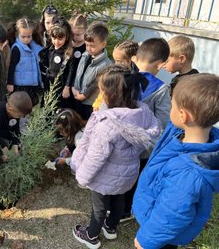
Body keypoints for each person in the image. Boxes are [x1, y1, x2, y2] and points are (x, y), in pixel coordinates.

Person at [71, 65, 160, 249]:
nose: (100, 94)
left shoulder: (107, 124)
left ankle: (91, 235)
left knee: (99, 207)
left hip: (104, 176)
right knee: (119, 201)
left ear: (110, 94)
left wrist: (82, 177)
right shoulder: (143, 113)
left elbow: (96, 157)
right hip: (128, 174)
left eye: (101, 91)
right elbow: (153, 131)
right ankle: (111, 228)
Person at [133, 73, 219, 249]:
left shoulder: (188, 174)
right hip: (154, 211)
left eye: (172, 104)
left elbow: (171, 214)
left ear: (183, 115)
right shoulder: (180, 133)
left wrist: (145, 240)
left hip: (161, 236)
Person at [122, 38, 171, 221]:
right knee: (135, 179)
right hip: (143, 147)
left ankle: (112, 209)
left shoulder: (123, 78)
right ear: (160, 64)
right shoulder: (161, 90)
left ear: (135, 58)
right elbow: (163, 122)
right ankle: (126, 211)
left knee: (119, 173)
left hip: (121, 140)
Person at [0, 91, 33, 171]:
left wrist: (15, 145)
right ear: (10, 109)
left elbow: (16, 130)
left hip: (1, 127)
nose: (22, 117)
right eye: (20, 115)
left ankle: (10, 148)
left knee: (16, 137)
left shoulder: (15, 112)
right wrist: (4, 149)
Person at [72, 21, 112, 120]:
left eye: (92, 46)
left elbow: (97, 83)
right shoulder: (85, 55)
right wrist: (74, 86)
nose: (89, 49)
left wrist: (84, 95)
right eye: (87, 45)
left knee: (86, 125)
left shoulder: (106, 64)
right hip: (77, 95)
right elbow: (78, 72)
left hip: (90, 102)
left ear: (103, 44)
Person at [93, 40, 139, 111]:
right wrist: (96, 105)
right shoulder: (113, 74)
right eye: (115, 61)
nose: (116, 64)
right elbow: (103, 92)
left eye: (120, 61)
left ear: (132, 60)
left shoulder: (135, 80)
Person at [39, 17, 74, 108]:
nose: (56, 42)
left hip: (60, 85)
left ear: (66, 38)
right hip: (48, 82)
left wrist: (67, 87)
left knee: (57, 107)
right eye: (54, 38)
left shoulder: (67, 53)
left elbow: (71, 71)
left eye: (60, 39)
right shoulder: (49, 50)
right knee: (46, 106)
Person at [7, 18, 43, 106]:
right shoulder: (16, 48)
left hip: (32, 84)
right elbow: (11, 67)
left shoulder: (34, 47)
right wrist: (10, 83)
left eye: (29, 36)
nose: (26, 39)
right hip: (20, 86)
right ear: (17, 34)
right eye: (23, 37)